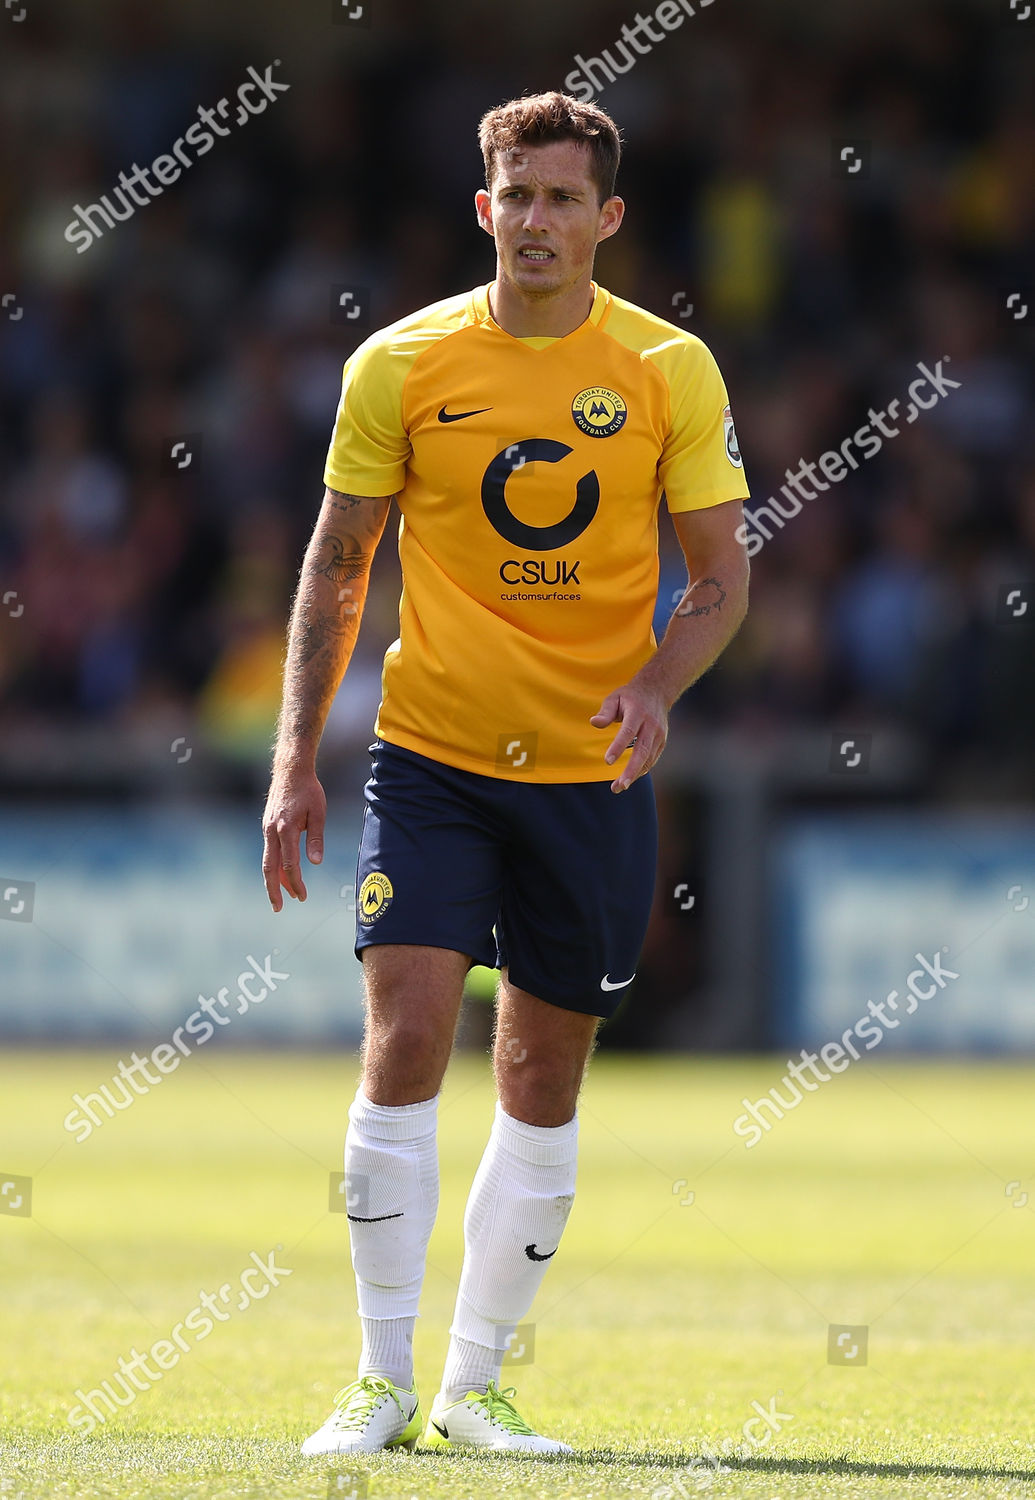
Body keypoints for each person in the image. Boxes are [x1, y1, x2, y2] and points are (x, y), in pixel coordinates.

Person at [261, 89, 750, 1457]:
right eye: (514, 197)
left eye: (561, 198)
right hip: (431, 757)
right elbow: (338, 565)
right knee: (407, 1038)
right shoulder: (400, 365)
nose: (537, 221)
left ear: (608, 217)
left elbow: (720, 580)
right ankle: (375, 1380)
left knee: (541, 1076)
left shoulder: (669, 370)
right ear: (484, 210)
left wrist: (654, 689)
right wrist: (295, 755)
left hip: (589, 775)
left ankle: (476, 1386)